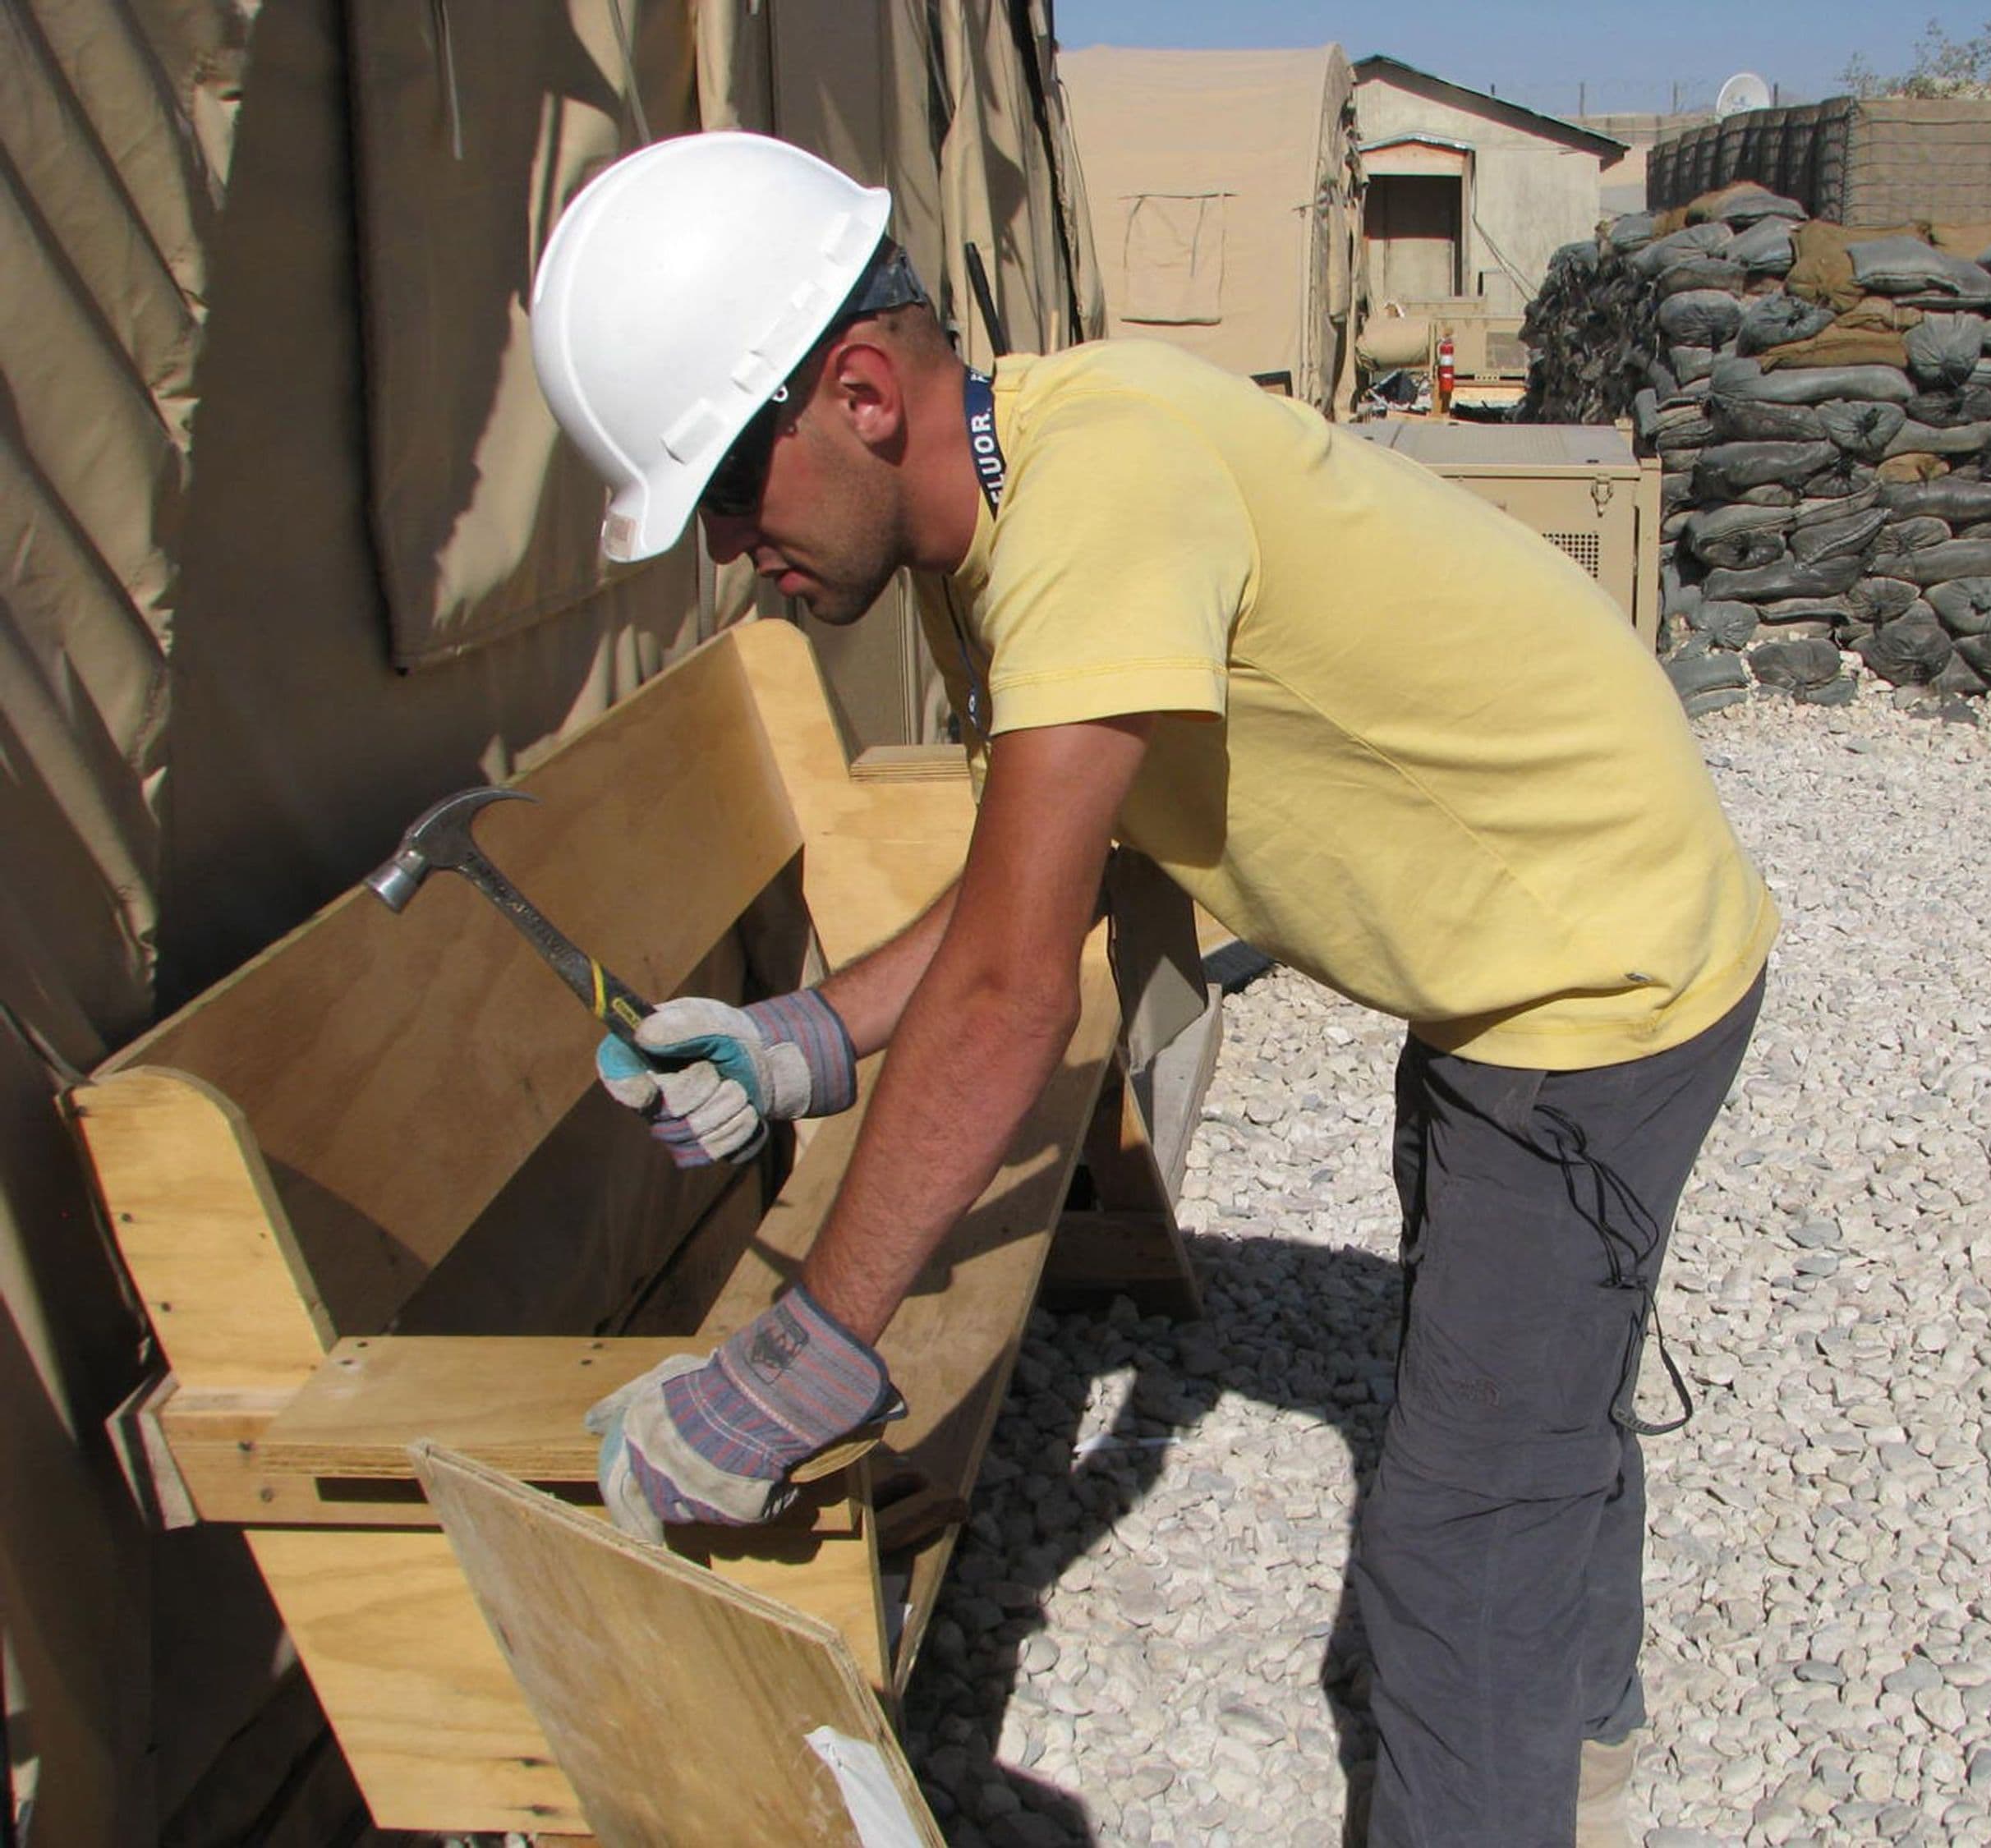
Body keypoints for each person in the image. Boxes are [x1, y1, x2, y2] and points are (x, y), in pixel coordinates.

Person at [531, 131, 1777, 1848]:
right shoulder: (1014, 496)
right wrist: (800, 1038)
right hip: (1522, 932)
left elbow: (1009, 996)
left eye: (733, 491)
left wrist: (811, 1350)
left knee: (1453, 1535)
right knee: (1533, 1355)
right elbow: (1055, 871)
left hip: (1599, 968)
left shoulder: (1093, 498)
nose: (740, 549)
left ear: (860, 394)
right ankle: (1589, 1719)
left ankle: (1537, 1747)